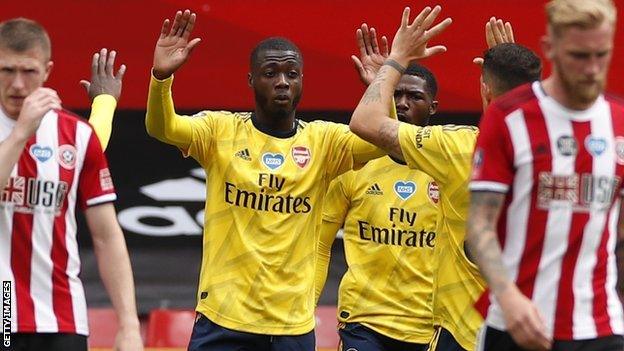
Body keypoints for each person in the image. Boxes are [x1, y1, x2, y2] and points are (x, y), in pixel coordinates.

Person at [145, 10, 386, 351]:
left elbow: (381, 142)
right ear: (251, 80)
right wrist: (161, 79)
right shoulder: (219, 131)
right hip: (223, 320)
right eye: (270, 73)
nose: (283, 81)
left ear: (302, 80)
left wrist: (382, 85)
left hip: (291, 326)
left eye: (292, 73)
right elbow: (161, 127)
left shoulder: (324, 142)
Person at [347, 7, 540, 351]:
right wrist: (508, 83)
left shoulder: (458, 149)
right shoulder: (558, 151)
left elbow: (365, 121)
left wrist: (395, 61)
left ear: (485, 91)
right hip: (531, 327)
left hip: (465, 333)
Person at [467, 0, 623, 350]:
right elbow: (479, 226)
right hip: (515, 323)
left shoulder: (618, 123)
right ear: (550, 49)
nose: (592, 69)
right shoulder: (508, 116)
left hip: (600, 327)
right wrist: (508, 297)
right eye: (580, 56)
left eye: (602, 55)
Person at [0, 18, 142, 351]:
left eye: (29, 72)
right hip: (5, 313)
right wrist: (22, 132)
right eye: (6, 70)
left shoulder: (77, 135)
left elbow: (107, 237)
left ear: (47, 70)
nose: (18, 84)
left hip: (62, 315)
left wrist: (129, 324)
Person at [314, 24, 440, 351]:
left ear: (433, 108)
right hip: (363, 320)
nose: (402, 104)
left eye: (415, 97)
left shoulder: (449, 166)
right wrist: (306, 303)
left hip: (427, 325)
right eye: (396, 94)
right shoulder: (354, 163)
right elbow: (319, 244)